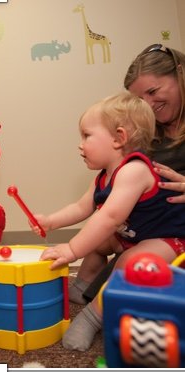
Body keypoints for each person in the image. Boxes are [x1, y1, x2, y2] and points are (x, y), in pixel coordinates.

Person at [30, 91, 185, 351]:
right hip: (135, 234)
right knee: (97, 241)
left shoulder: (134, 170)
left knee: (128, 262)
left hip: (169, 239)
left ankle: (92, 317)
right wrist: (51, 221)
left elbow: (110, 218)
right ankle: (84, 285)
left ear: (119, 138)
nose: (80, 144)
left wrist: (71, 249)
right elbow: (81, 207)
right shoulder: (105, 175)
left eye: (87, 136)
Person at [81, 44, 185, 304]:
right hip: (149, 229)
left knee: (130, 270)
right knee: (99, 235)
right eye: (141, 99)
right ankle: (87, 287)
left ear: (180, 75)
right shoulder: (147, 139)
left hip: (175, 234)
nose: (149, 104)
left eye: (153, 91)